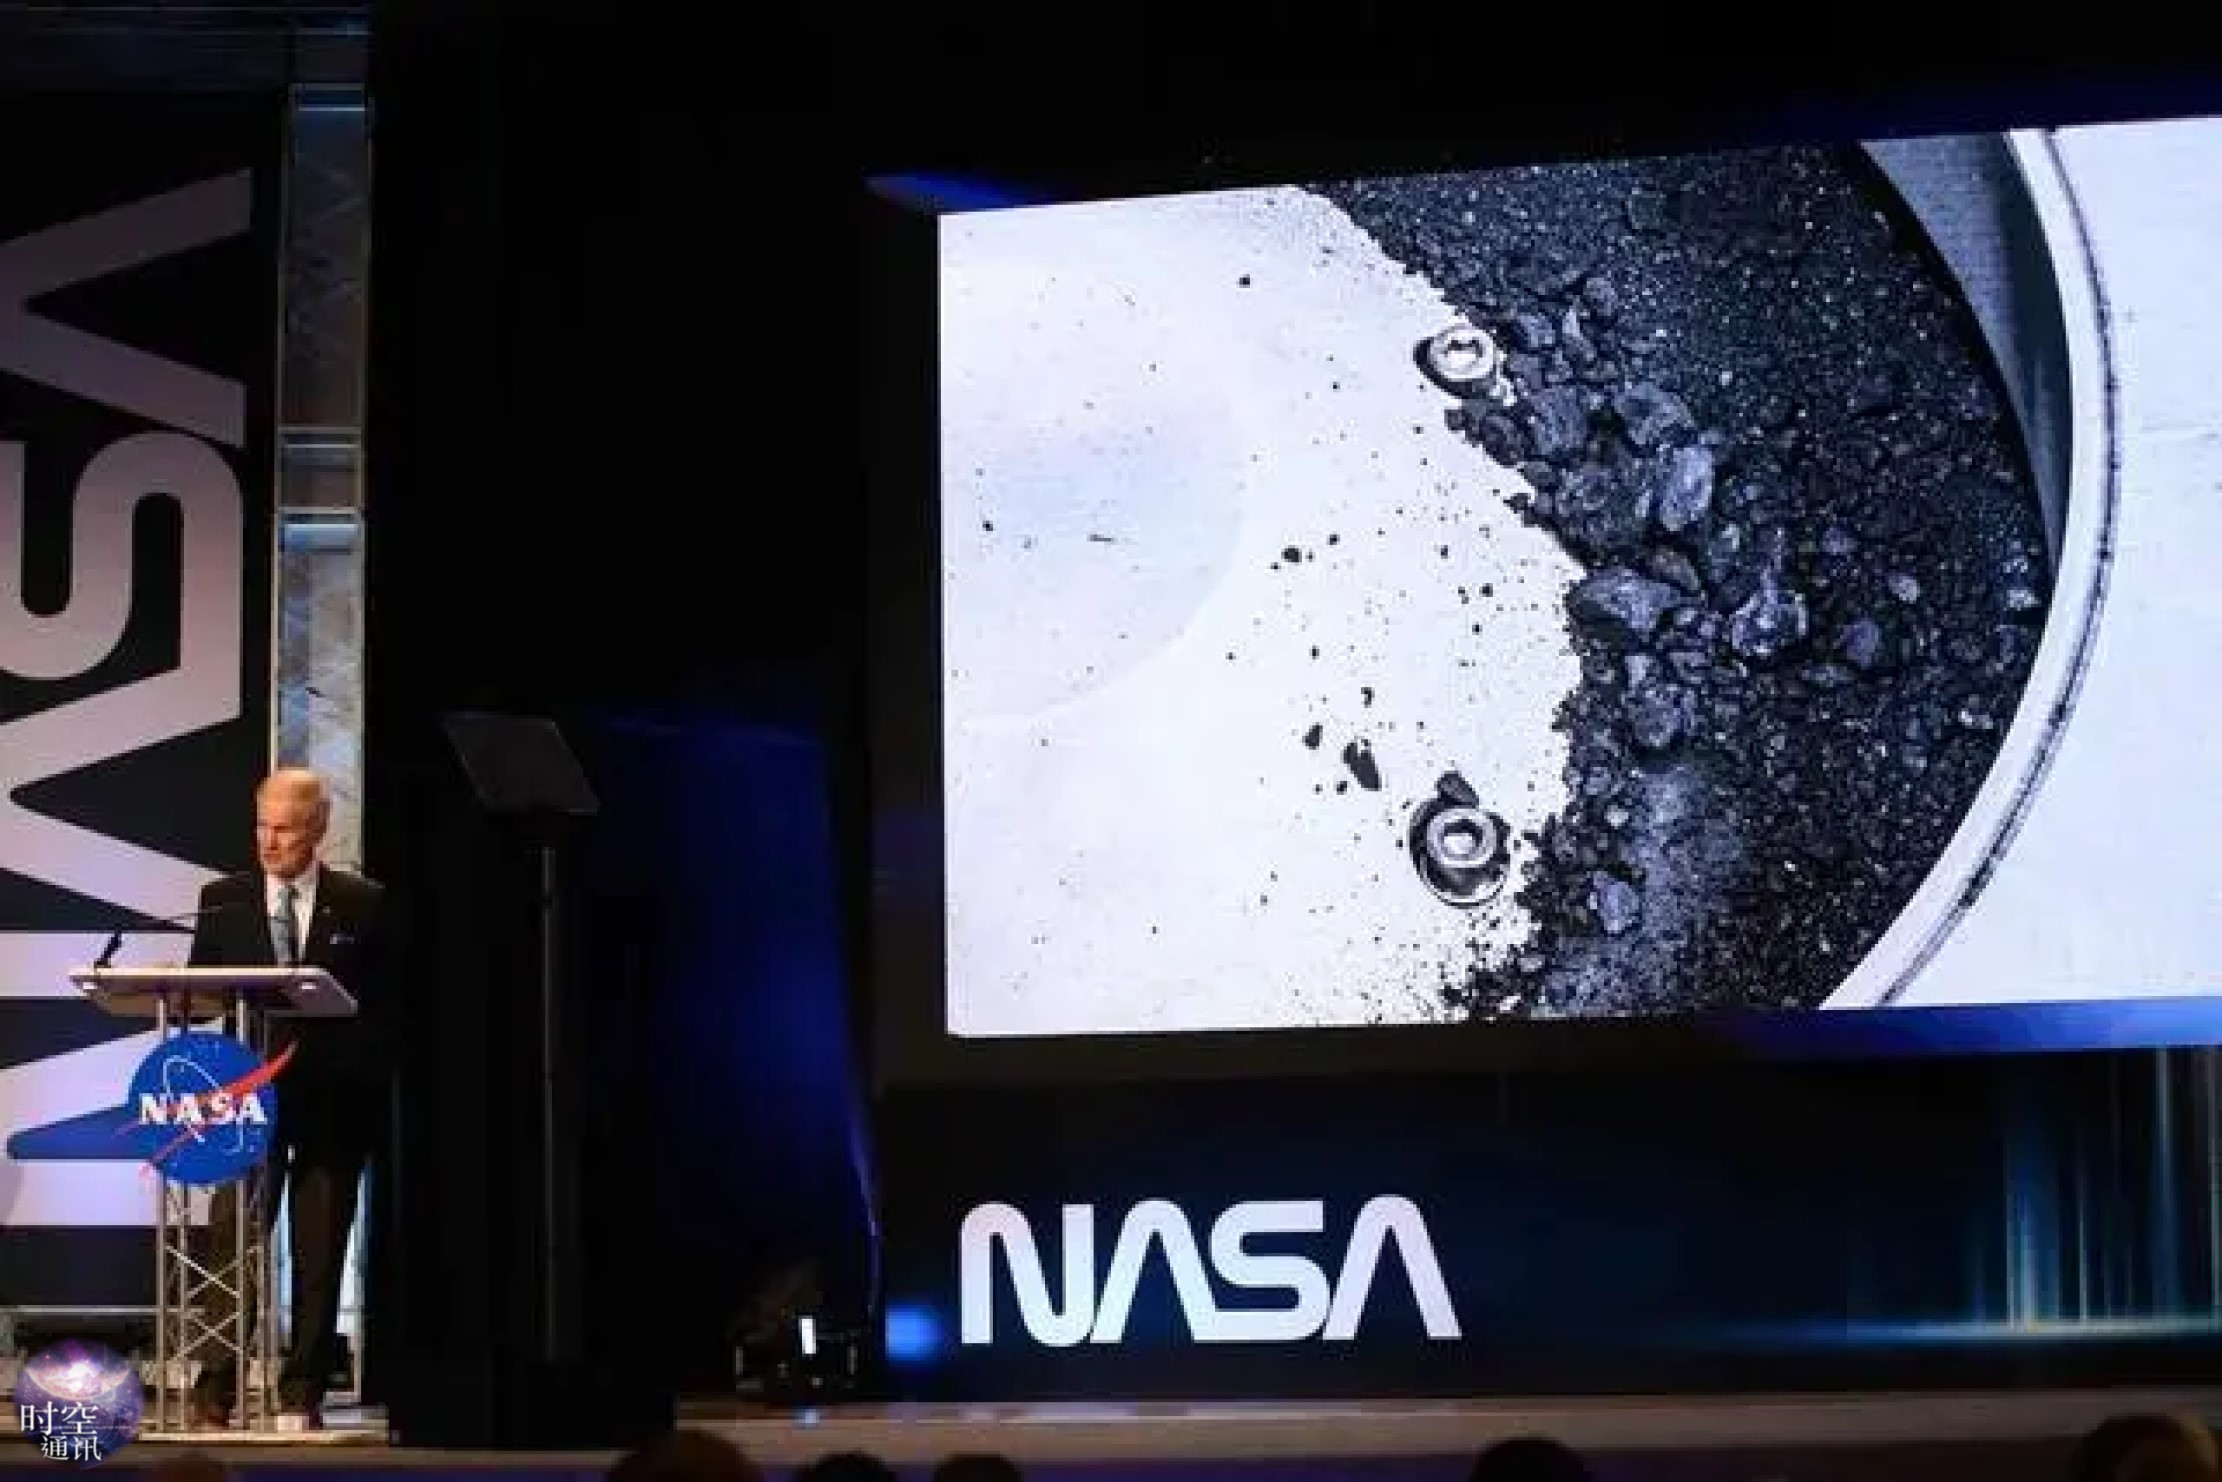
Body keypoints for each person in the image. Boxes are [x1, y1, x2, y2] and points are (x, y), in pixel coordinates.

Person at [186, 768, 389, 1432]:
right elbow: (199, 996)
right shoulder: (223, 900)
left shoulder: (363, 902)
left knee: (320, 1250)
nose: (269, 842)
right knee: (232, 1241)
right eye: (261, 827)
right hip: (248, 1100)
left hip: (333, 1100)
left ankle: (302, 1391)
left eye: (286, 829)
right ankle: (215, 1387)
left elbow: (387, 1005)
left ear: (319, 829)